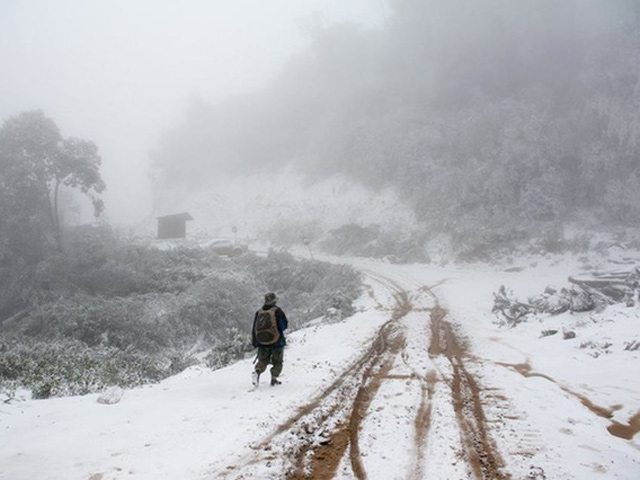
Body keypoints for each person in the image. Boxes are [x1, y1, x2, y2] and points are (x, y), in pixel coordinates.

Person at [251, 292, 288, 387]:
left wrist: (256, 342)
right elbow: (283, 326)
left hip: (262, 341)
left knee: (263, 360)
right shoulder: (277, 311)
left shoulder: (259, 312)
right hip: (277, 342)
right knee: (277, 362)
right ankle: (274, 378)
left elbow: (254, 328)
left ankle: (257, 371)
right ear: (274, 300)